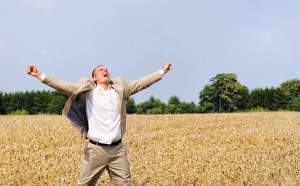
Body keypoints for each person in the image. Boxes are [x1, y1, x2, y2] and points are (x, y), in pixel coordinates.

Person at [26, 62, 172, 185]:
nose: (105, 70)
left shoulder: (120, 90)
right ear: (94, 77)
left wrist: (162, 71)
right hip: (95, 150)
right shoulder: (89, 91)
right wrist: (39, 74)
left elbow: (141, 83)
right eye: (101, 70)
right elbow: (62, 85)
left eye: (106, 69)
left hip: (118, 150)